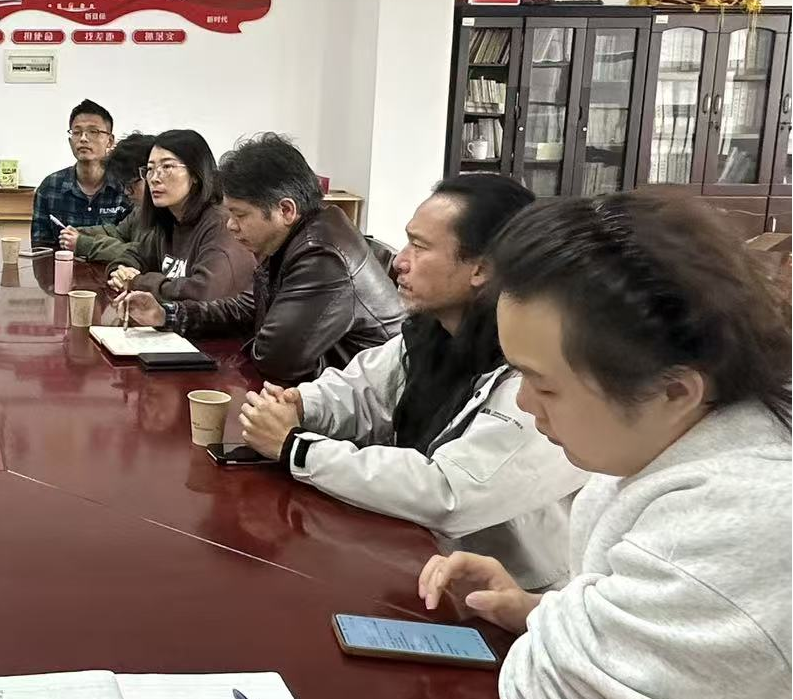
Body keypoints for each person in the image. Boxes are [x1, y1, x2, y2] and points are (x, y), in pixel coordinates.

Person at [418, 189, 792, 698]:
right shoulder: (679, 439)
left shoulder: (740, 524)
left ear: (674, 391)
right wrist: (541, 610)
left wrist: (564, 637)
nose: (524, 403)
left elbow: (549, 688)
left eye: (545, 385)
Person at [237, 174, 585, 590]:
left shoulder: (537, 377)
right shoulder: (435, 332)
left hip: (513, 595)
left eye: (419, 247)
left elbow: (448, 494)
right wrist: (300, 404)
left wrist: (298, 448)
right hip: (420, 559)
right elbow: (362, 393)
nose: (398, 261)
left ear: (482, 268)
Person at [122, 133, 402, 382]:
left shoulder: (322, 253)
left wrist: (249, 339)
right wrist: (168, 314)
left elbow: (275, 359)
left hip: (366, 408)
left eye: (240, 215)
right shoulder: (292, 238)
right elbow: (247, 308)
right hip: (326, 391)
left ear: (286, 210)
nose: (230, 225)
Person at [106, 128, 255, 302]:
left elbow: (202, 293)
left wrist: (138, 282)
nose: (154, 178)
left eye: (167, 167)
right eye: (150, 169)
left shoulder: (222, 224)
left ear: (195, 174)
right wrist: (120, 272)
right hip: (173, 318)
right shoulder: (169, 219)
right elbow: (133, 256)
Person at [30, 99, 130, 249]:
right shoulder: (50, 186)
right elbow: (40, 249)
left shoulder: (126, 187)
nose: (83, 138)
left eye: (93, 132)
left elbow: (133, 247)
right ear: (70, 141)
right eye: (77, 132)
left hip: (114, 264)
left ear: (110, 141)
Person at [60, 131, 155, 264]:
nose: (126, 192)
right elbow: (118, 233)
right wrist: (80, 232)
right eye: (124, 185)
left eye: (130, 184)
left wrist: (83, 244)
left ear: (148, 173)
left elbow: (143, 254)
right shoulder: (141, 209)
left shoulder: (169, 216)